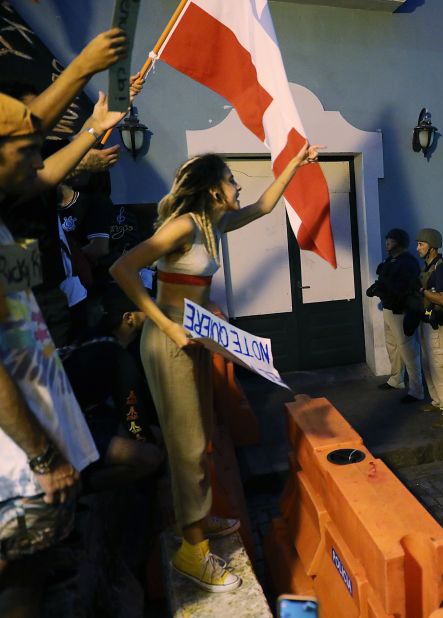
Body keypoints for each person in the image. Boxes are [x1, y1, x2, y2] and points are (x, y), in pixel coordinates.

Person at [111, 143, 323, 592]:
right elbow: (124, 268)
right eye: (230, 179)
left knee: (201, 437)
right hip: (170, 343)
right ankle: (193, 553)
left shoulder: (213, 223)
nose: (237, 184)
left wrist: (295, 163)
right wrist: (166, 326)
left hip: (196, 339)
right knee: (187, 447)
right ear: (212, 189)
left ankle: (200, 521)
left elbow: (266, 206)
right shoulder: (184, 225)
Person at [0, 45, 126, 581]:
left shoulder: (10, 219)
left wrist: (92, 129)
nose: (39, 159)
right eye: (29, 147)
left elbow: (19, 333)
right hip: (22, 459)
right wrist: (81, 69)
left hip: (39, 398)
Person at [59, 285, 163, 493]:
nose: (153, 313)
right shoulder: (118, 358)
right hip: (67, 434)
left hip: (75, 421)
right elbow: (133, 420)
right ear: (129, 318)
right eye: (146, 309)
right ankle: (81, 486)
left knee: (151, 437)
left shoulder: (90, 337)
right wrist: (160, 473)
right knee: (152, 456)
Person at [367, 228, 423, 404]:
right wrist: (379, 288)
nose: (387, 243)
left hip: (401, 311)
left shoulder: (407, 262)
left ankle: (416, 390)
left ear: (398, 242)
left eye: (390, 240)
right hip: (389, 309)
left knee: (408, 351)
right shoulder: (391, 260)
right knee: (392, 347)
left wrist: (386, 289)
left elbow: (405, 288)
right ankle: (396, 380)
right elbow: (386, 280)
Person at [414, 228, 443, 427]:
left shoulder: (442, 269)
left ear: (432, 247)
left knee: (441, 367)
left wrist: (423, 291)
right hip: (426, 323)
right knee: (428, 365)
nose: (418, 248)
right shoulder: (428, 267)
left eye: (421, 244)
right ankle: (438, 401)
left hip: (439, 326)